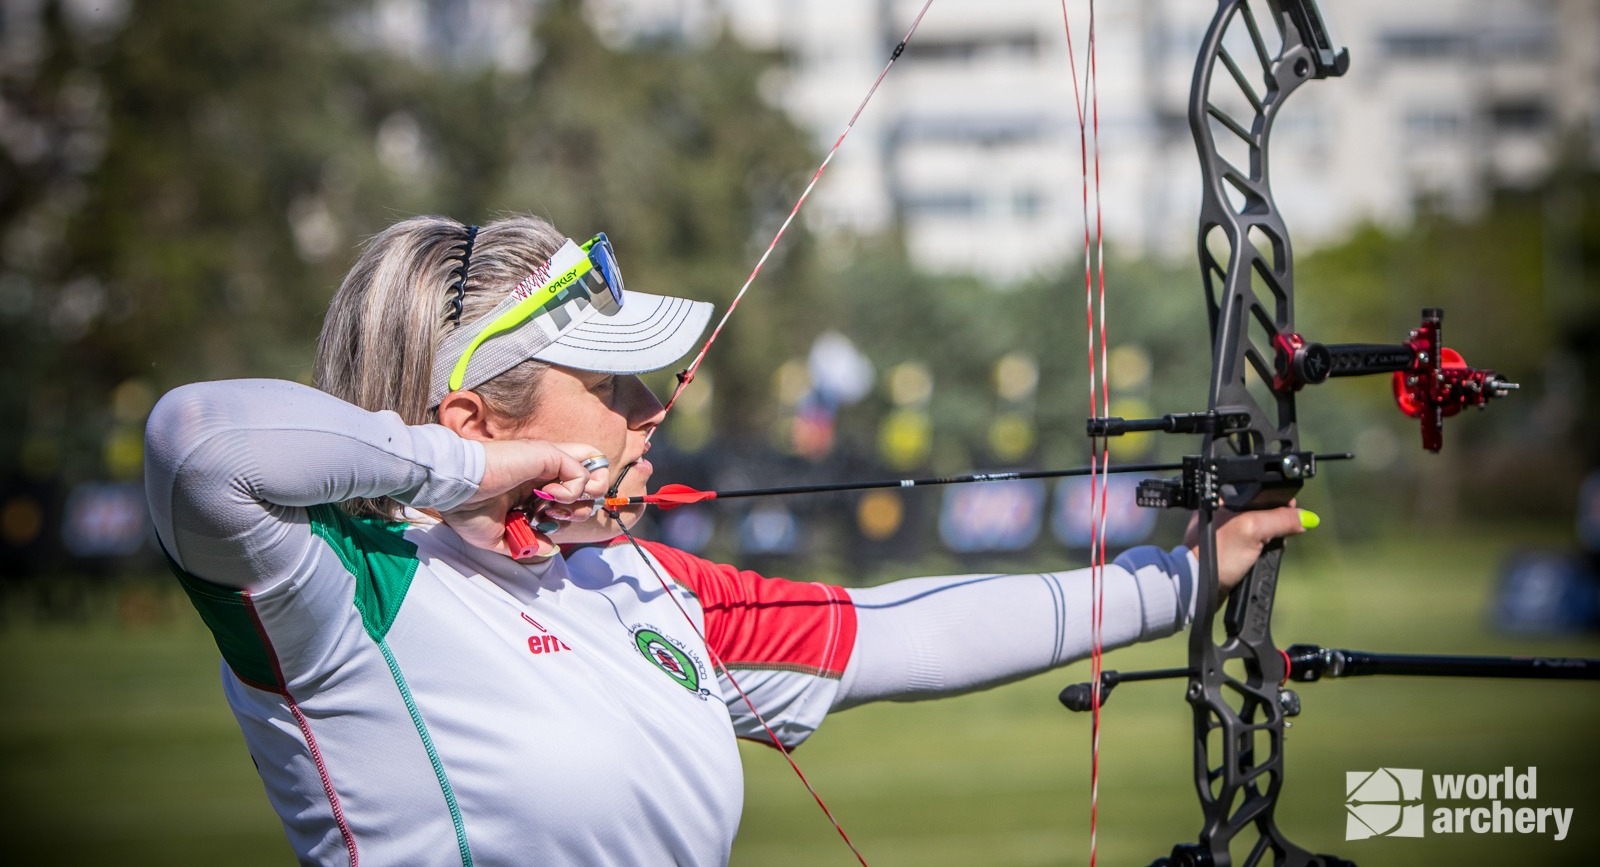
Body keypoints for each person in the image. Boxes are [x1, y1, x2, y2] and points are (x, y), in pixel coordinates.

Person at [144, 213, 1307, 866]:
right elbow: (200, 442)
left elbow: (895, 631)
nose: (651, 409)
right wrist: (471, 474)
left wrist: (1180, 576)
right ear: (471, 418)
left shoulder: (633, 582)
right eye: (610, 383)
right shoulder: (341, 589)